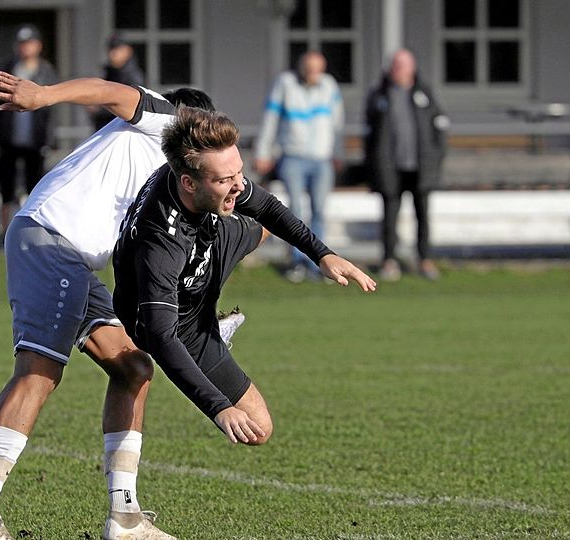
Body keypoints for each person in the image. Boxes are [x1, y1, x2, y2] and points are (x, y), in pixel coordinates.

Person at [0, 71, 219, 540]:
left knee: (134, 368)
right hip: (51, 239)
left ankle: (125, 518)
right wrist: (43, 96)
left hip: (72, 259)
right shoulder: (164, 120)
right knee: (39, 370)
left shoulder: (167, 184)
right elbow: (112, 90)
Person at [112, 105, 375, 472]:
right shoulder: (161, 244)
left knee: (260, 218)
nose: (238, 184)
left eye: (240, 172)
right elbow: (160, 337)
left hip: (210, 244)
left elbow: (267, 206)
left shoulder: (217, 180)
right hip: (174, 324)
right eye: (225, 179)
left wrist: (321, 254)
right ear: (189, 182)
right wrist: (218, 407)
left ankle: (213, 313)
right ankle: (211, 325)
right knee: (255, 427)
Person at [253, 51, 344, 282]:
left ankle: (321, 262)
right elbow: (270, 120)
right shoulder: (285, 84)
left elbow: (337, 123)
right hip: (292, 157)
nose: (313, 74)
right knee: (295, 212)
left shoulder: (329, 86)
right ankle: (297, 261)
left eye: (318, 69)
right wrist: (263, 152)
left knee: (320, 211)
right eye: (310, 69)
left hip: (322, 159)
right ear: (301, 67)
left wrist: (338, 152)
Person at [365, 48, 449, 281]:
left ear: (412, 68)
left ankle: (425, 260)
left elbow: (439, 128)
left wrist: (436, 157)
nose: (399, 70)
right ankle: (389, 260)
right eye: (395, 65)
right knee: (390, 217)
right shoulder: (380, 94)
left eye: (403, 65)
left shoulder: (425, 93)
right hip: (391, 167)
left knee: (422, 215)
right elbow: (370, 135)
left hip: (420, 167)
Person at [0, 25, 58, 238]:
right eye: (21, 44)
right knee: (6, 189)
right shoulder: (8, 69)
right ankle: (5, 232)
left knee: (35, 188)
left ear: (37, 46)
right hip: (8, 140)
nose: (25, 48)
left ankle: (31, 232)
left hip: (35, 141)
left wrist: (48, 137)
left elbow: (52, 110)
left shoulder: (46, 72)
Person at [90, 34, 145, 131]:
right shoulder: (109, 72)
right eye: (111, 49)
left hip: (122, 130)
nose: (113, 54)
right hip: (106, 127)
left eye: (117, 49)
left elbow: (130, 106)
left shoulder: (132, 76)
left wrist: (99, 108)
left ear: (128, 51)